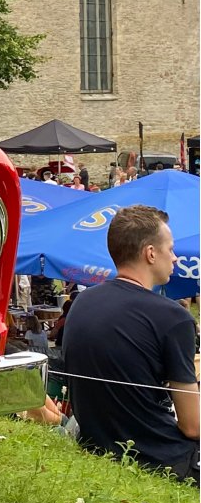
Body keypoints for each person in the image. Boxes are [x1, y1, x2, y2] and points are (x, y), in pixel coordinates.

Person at [61, 205, 199, 483]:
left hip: (96, 446)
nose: (174, 257)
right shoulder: (173, 317)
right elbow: (192, 426)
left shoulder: (81, 303)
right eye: (170, 249)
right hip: (161, 457)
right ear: (150, 253)